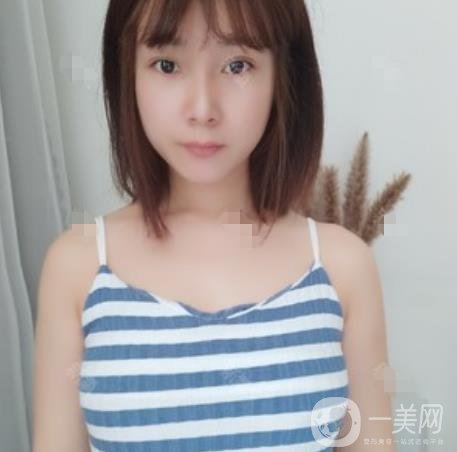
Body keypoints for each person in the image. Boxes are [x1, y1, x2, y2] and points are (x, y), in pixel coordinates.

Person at [32, 0, 395, 450]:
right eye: (167, 65)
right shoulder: (78, 267)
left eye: (237, 65)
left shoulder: (341, 267)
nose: (202, 108)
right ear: (126, 74)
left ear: (284, 76)